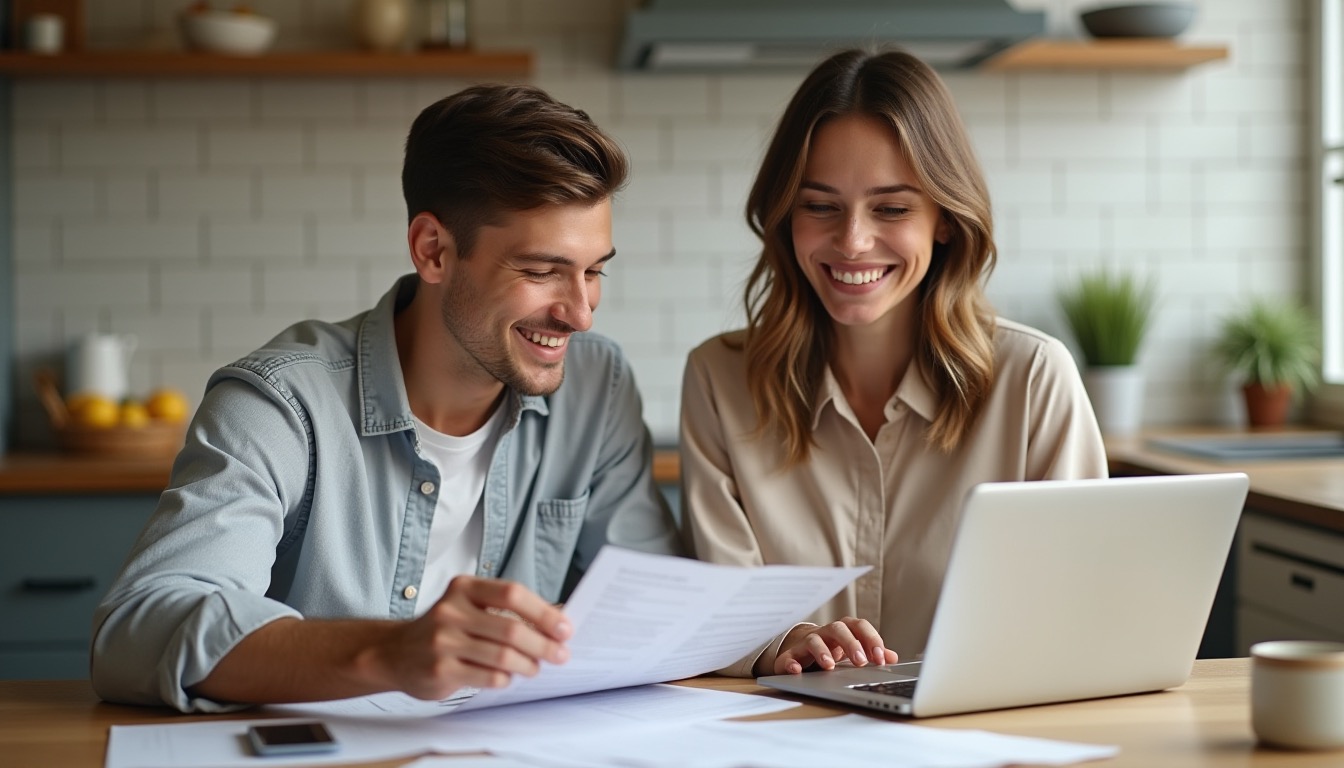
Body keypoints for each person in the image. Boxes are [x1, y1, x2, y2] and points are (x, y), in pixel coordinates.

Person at [90, 83, 681, 712]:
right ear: (433, 250)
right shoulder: (282, 403)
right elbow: (139, 630)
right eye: (541, 272)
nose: (580, 313)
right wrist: (391, 654)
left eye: (594, 272)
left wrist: (765, 644)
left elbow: (661, 599)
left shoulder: (596, 384)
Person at [679, 49, 1108, 678]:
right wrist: (785, 641)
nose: (852, 240)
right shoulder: (718, 379)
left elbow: (1079, 616)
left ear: (944, 220)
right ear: (785, 218)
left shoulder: (1035, 379)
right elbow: (722, 615)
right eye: (819, 205)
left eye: (892, 208)